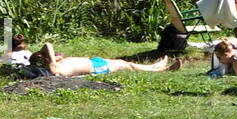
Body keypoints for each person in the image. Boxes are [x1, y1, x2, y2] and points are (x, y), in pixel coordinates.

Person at [30, 43, 178, 77]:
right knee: (129, 66)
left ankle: (156, 66)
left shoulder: (58, 63)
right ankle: (163, 69)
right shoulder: (54, 67)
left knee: (124, 62)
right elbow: (47, 45)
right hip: (95, 68)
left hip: (95, 62)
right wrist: (48, 56)